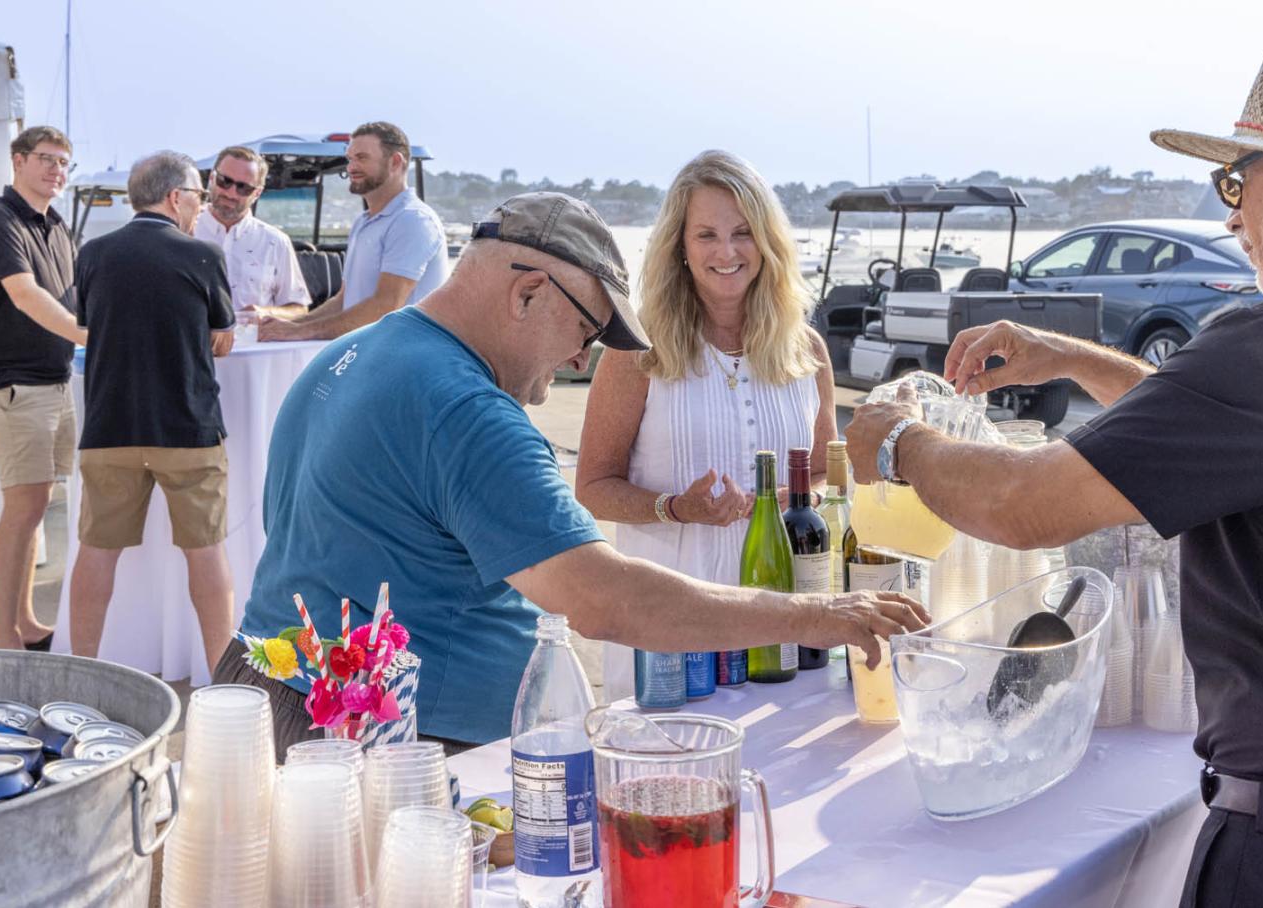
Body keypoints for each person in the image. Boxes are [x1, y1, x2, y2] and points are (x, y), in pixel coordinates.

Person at [844, 27, 1263, 906]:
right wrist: (1077, 359)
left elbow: (1021, 503)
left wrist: (893, 439)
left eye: (1236, 178)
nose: (1229, 214)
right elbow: (1254, 440)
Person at [219, 191, 924, 759]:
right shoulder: (467, 410)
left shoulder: (350, 353)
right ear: (527, 292)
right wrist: (818, 615)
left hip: (275, 697)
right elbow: (601, 599)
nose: (582, 360)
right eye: (587, 329)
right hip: (401, 745)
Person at [575, 150, 837, 698]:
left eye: (743, 232)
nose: (727, 252)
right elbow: (593, 489)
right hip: (666, 638)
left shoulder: (806, 352)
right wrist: (677, 508)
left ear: (767, 242)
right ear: (680, 248)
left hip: (777, 632)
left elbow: (822, 474)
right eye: (707, 236)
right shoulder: (638, 350)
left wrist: (776, 498)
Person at [69, 151, 237, 674]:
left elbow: (91, 324)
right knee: (206, 552)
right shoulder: (203, 255)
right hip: (186, 427)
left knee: (96, 551)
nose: (201, 206)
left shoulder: (92, 253)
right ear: (174, 197)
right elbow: (222, 339)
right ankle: (221, 679)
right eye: (199, 196)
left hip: (110, 425)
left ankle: (82, 671)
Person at [0, 125, 86, 651]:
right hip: (12, 382)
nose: (56, 171)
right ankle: (4, 642)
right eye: (46, 159)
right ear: (18, 161)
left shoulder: (59, 226)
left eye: (65, 163)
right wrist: (90, 336)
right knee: (23, 508)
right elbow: (24, 294)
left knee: (37, 506)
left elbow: (71, 295)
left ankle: (25, 624)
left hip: (55, 380)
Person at [258, 121, 448, 341]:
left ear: (395, 162)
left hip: (406, 363)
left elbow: (385, 306)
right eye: (350, 159)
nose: (351, 167)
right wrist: (288, 325)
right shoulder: (362, 222)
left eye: (362, 158)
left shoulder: (412, 220)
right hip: (370, 356)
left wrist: (299, 331)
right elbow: (344, 300)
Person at [194, 145, 311, 319]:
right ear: (212, 178)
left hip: (251, 343)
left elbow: (299, 308)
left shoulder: (276, 241)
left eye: (243, 188)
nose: (231, 193)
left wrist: (265, 312)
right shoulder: (180, 229)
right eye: (224, 181)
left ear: (257, 193)